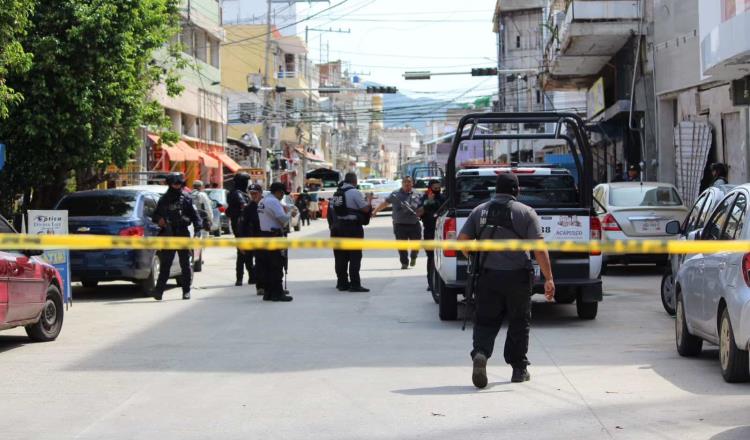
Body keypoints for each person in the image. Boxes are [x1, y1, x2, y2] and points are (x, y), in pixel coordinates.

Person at [457, 173, 555, 387]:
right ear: (516, 190)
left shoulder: (479, 211)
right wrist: (549, 278)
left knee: (485, 319)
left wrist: (474, 258)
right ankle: (518, 369)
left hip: (487, 276)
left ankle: (481, 353)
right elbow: (539, 249)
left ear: (496, 189)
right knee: (519, 321)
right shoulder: (526, 213)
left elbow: (462, 241)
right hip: (517, 277)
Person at [151, 173, 202, 301]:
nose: (177, 186)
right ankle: (159, 292)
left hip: (183, 234)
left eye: (179, 184)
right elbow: (155, 216)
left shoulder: (186, 198)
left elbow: (195, 216)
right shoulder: (164, 199)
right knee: (165, 265)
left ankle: (186, 291)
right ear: (170, 184)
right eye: (175, 184)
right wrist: (159, 220)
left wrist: (197, 229)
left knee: (185, 265)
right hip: (169, 234)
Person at [330, 172, 372, 292]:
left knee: (340, 257)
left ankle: (342, 283)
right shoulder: (355, 192)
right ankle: (355, 284)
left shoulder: (336, 193)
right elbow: (365, 209)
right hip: (352, 228)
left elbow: (331, 212)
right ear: (355, 181)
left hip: (337, 228)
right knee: (355, 256)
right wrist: (369, 200)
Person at [372, 176, 424, 270]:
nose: (407, 184)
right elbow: (385, 203)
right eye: (405, 182)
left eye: (409, 182)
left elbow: (423, 206)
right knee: (401, 246)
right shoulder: (395, 194)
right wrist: (375, 211)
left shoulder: (418, 193)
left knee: (416, 244)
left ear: (412, 183)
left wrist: (420, 212)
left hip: (414, 224)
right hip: (400, 224)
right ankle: (404, 263)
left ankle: (413, 256)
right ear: (402, 183)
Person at [257, 182, 294, 302]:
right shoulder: (273, 201)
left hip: (264, 235)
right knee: (276, 265)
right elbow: (282, 220)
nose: (283, 196)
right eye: (282, 193)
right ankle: (277, 293)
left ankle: (268, 293)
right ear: (278, 191)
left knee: (267, 266)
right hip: (273, 236)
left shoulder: (263, 201)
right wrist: (290, 213)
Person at [227, 173, 254, 286]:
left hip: (241, 225)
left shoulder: (235, 192)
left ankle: (248, 277)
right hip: (242, 227)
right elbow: (244, 206)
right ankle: (244, 277)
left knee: (244, 253)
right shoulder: (238, 193)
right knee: (243, 252)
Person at [238, 184, 265, 296]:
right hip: (253, 238)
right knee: (253, 263)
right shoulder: (249, 208)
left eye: (255, 193)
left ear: (260, 193)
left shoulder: (266, 204)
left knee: (266, 264)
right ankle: (260, 286)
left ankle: (268, 284)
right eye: (252, 193)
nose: (253, 196)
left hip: (268, 238)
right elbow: (243, 226)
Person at [421, 179, 446, 292]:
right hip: (429, 232)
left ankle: (441, 282)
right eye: (434, 188)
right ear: (430, 188)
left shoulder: (444, 198)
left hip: (441, 232)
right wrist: (428, 202)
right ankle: (431, 283)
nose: (437, 190)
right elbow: (418, 212)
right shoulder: (424, 198)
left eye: (438, 188)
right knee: (431, 258)